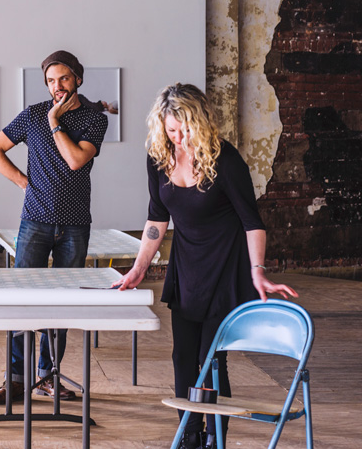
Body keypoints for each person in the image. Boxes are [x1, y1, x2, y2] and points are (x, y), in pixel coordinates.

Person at [112, 83, 298, 449]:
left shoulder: (225, 161)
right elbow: (156, 219)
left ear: (201, 122)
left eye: (185, 129)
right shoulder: (158, 158)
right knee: (183, 356)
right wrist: (138, 268)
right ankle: (189, 434)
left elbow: (252, 222)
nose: (179, 138)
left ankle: (216, 437)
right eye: (171, 130)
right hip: (187, 266)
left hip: (225, 268)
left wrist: (257, 270)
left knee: (211, 359)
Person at [0, 50, 108, 404]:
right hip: (34, 221)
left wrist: (54, 120)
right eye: (51, 81)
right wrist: (23, 181)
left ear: (78, 79)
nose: (57, 86)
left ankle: (49, 376)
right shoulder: (32, 115)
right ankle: (17, 380)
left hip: (75, 224)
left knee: (63, 303)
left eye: (64, 79)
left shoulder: (93, 119)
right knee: (22, 301)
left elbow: (74, 160)